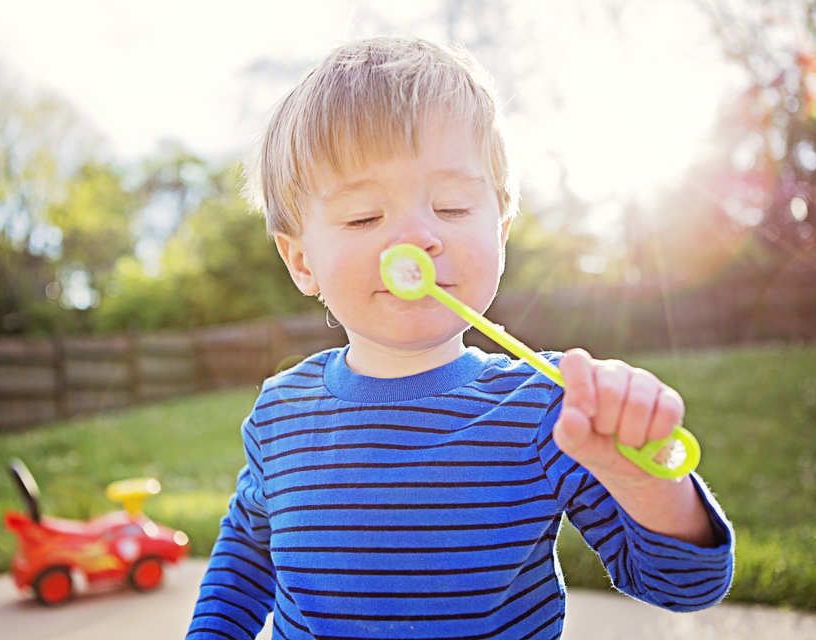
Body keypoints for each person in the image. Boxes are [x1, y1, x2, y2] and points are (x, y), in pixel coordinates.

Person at [187, 36, 733, 640]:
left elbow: (685, 587)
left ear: (500, 234)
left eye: (451, 207)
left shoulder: (546, 406)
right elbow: (246, 559)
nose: (419, 236)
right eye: (365, 216)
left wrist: (645, 481)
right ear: (301, 262)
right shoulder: (279, 413)